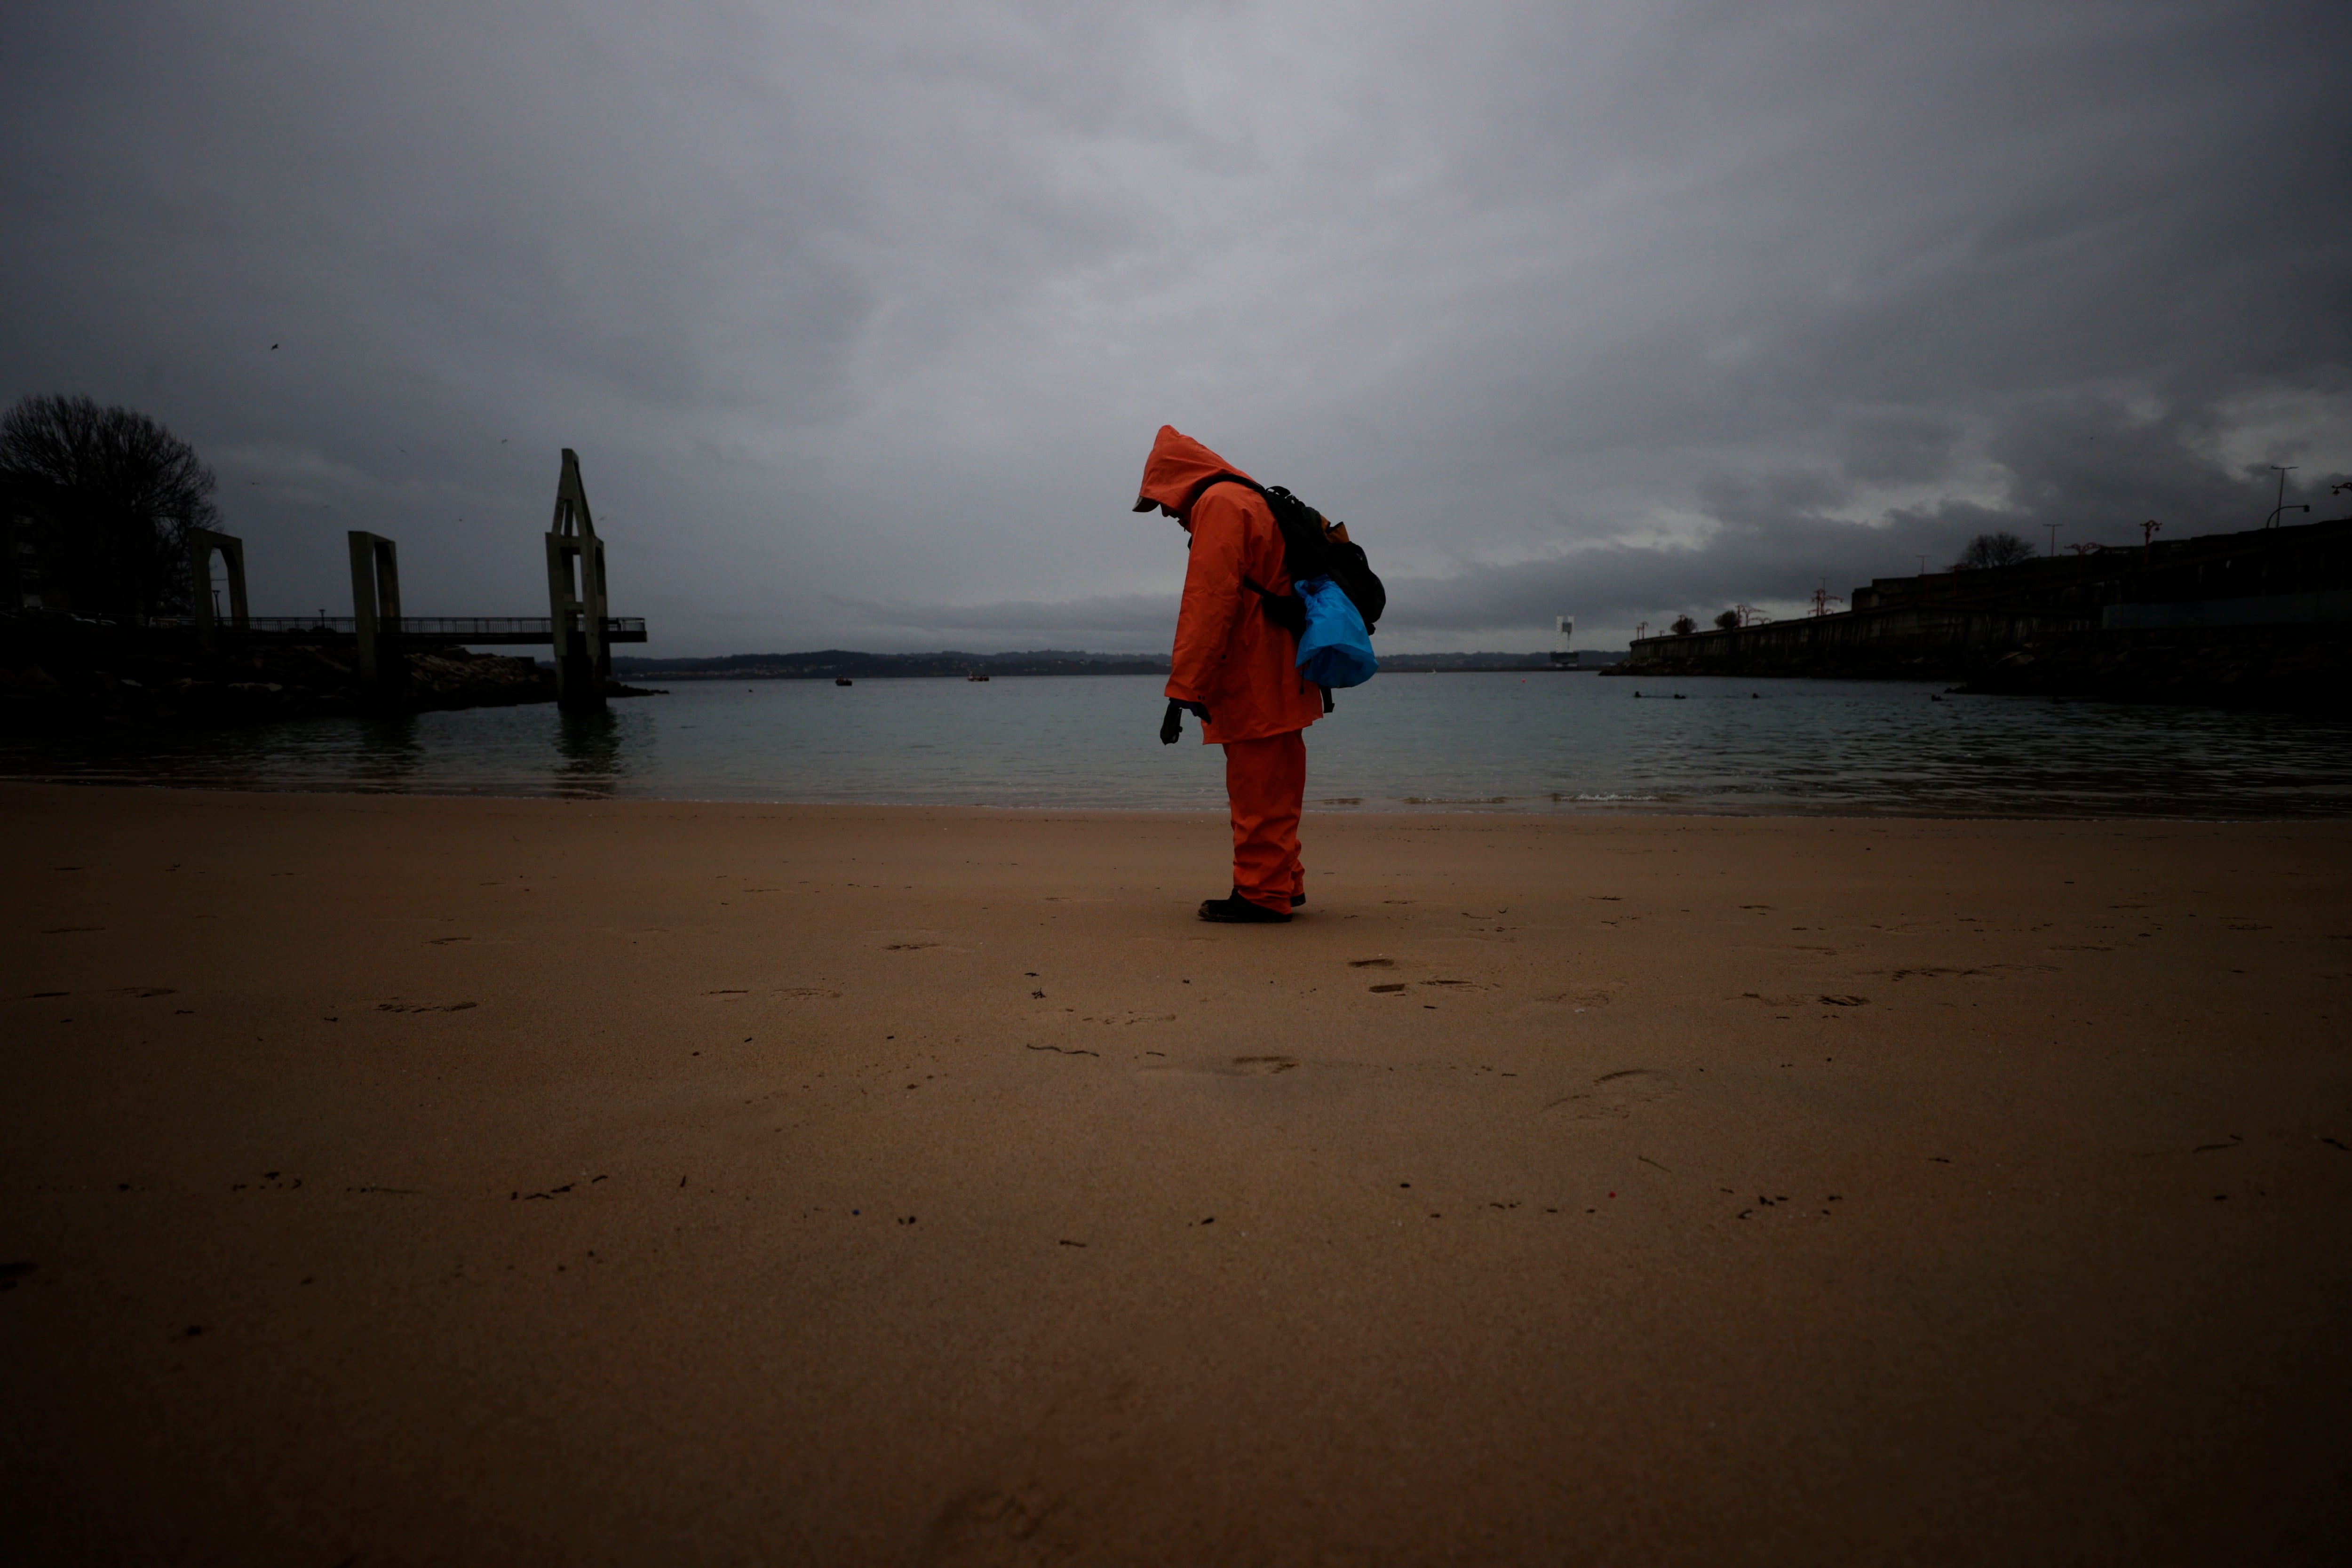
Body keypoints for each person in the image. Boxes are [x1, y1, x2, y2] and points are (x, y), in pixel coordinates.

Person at [1134, 425, 1323, 923]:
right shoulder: (1251, 499)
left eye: (1164, 503)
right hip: (1286, 667)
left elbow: (1208, 603)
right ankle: (1285, 883)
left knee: (1256, 788)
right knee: (1278, 784)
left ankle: (1261, 895)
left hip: (1254, 672)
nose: (1169, 515)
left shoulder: (1219, 505)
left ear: (1177, 482)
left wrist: (1183, 690)